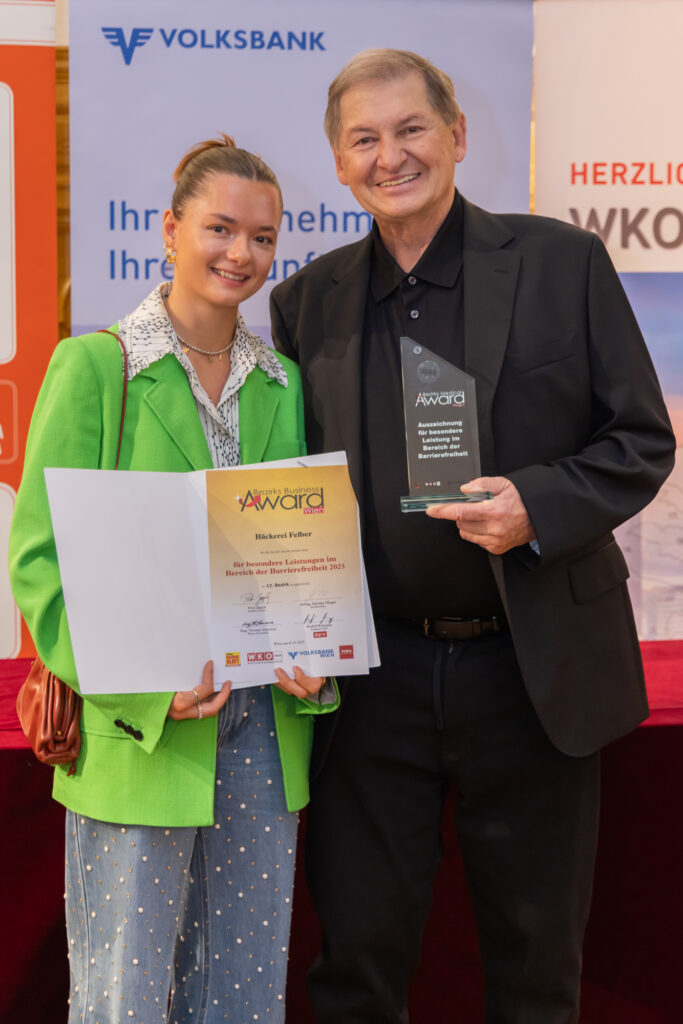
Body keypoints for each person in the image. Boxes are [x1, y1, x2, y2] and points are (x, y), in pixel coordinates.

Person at [269, 50, 676, 1024]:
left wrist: (539, 503)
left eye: (409, 128)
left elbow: (639, 439)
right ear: (337, 162)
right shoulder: (305, 301)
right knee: (356, 962)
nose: (389, 154)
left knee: (536, 973)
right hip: (373, 682)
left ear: (455, 135)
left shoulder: (557, 263)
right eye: (363, 138)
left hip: (529, 670)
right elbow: (287, 485)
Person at [9, 134, 336, 1024]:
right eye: (221, 228)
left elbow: (295, 551)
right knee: (123, 997)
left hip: (261, 739)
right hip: (139, 733)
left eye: (263, 238)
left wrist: (313, 661)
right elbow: (38, 558)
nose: (241, 254)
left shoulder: (283, 384)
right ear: (169, 230)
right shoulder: (97, 367)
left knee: (240, 993)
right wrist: (136, 686)